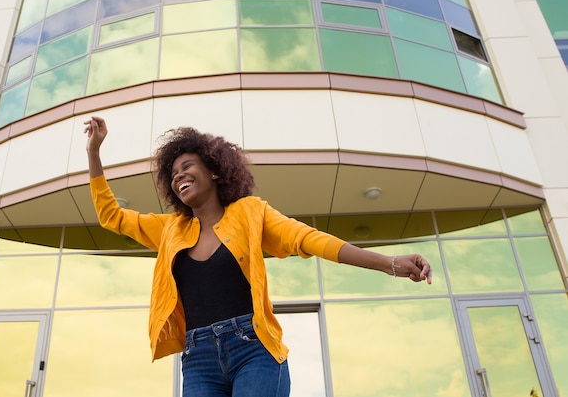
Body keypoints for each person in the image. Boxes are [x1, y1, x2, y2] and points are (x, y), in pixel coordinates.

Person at [84, 116, 432, 397]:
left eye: (187, 167)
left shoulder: (250, 213)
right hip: (198, 358)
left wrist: (389, 264)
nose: (178, 177)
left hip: (253, 350)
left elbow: (309, 239)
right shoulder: (170, 229)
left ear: (215, 171)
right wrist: (94, 153)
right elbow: (111, 217)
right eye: (173, 175)